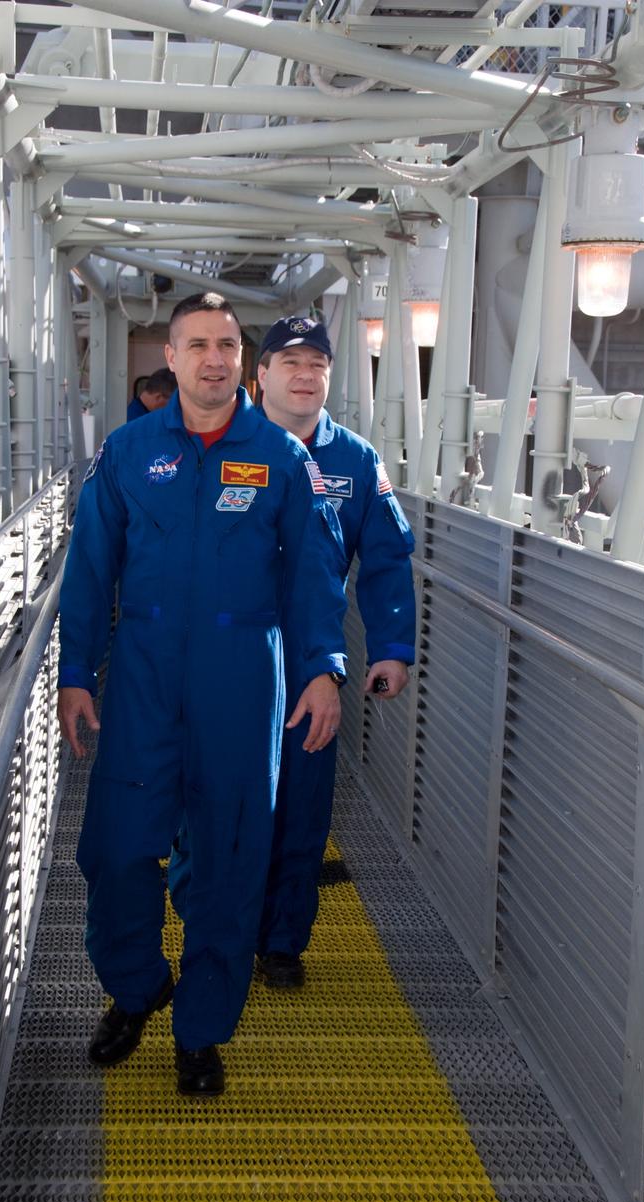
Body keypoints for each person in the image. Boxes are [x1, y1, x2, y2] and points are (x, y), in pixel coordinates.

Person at [57, 293, 348, 1098]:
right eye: (197, 345)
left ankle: (201, 1031)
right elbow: (89, 571)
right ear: (174, 357)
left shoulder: (282, 460)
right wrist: (76, 672)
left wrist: (323, 667)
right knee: (116, 851)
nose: (213, 359)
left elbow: (313, 576)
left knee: (227, 861)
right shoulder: (127, 452)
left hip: (242, 683)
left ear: (241, 361)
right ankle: (137, 987)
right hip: (145, 680)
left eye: (226, 344)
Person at [247, 315, 417, 988]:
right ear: (260, 374)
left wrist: (392, 647)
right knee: (218, 801)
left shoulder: (353, 460)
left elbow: (384, 560)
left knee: (302, 801)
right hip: (226, 656)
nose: (305, 373)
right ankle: (224, 926)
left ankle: (282, 942)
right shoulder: (224, 446)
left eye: (317, 362)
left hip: (312, 658)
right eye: (290, 361)